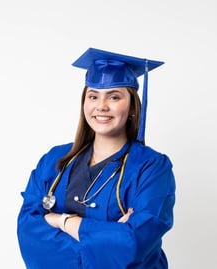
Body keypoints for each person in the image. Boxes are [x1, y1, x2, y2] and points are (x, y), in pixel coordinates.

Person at [17, 47, 176, 268]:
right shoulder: (55, 160)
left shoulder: (151, 167)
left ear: (131, 106)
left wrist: (59, 220)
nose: (101, 106)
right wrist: (107, 236)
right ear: (84, 103)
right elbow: (28, 230)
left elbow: (134, 244)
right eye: (93, 96)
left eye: (114, 96)